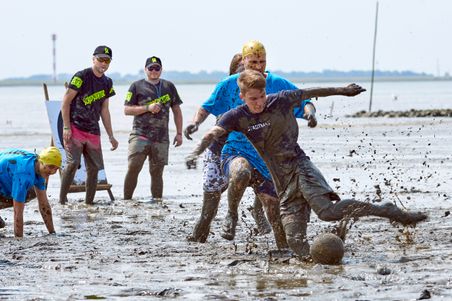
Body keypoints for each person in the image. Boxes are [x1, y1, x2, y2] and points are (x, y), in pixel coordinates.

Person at [186, 69, 427, 257]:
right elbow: (214, 132)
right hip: (283, 181)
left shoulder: (279, 100)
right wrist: (197, 150)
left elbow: (312, 92)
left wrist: (343, 90)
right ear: (242, 97)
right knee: (296, 245)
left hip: (301, 167)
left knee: (328, 212)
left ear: (265, 92)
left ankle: (387, 210)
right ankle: (327, 256)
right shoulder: (237, 116)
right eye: (253, 99)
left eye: (261, 97)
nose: (258, 102)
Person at [184, 41, 317, 246]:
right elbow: (206, 107)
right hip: (224, 149)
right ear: (243, 62)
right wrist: (194, 124)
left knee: (272, 205)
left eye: (262, 61)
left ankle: (284, 248)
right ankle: (201, 236)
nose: (258, 66)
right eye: (253, 61)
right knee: (209, 206)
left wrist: (309, 115)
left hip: (261, 152)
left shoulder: (277, 84)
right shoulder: (228, 85)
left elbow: (303, 99)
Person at [60, 45, 118, 205]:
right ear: (94, 59)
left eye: (107, 61)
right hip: (75, 126)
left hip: (93, 130)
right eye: (101, 60)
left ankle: (89, 203)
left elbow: (105, 110)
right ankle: (62, 201)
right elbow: (65, 102)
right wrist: (66, 127)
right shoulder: (81, 76)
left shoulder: (107, 82)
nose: (103, 64)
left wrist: (111, 135)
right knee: (72, 164)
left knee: (94, 169)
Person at [123, 56, 183, 202]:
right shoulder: (136, 86)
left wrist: (179, 133)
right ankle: (126, 201)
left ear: (161, 70)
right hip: (140, 135)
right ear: (145, 70)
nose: (154, 71)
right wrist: (147, 108)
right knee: (133, 167)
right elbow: (126, 110)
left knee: (157, 172)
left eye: (157, 68)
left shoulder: (169, 86)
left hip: (161, 138)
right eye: (151, 68)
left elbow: (177, 111)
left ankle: (157, 202)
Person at [0, 147, 61, 237]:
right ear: (41, 161)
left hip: (7, 170)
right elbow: (18, 212)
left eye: (56, 169)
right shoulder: (24, 174)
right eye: (51, 167)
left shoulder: (39, 168)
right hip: (13, 171)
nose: (52, 171)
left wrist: (52, 233)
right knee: (21, 197)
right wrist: (19, 239)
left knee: (30, 194)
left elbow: (44, 204)